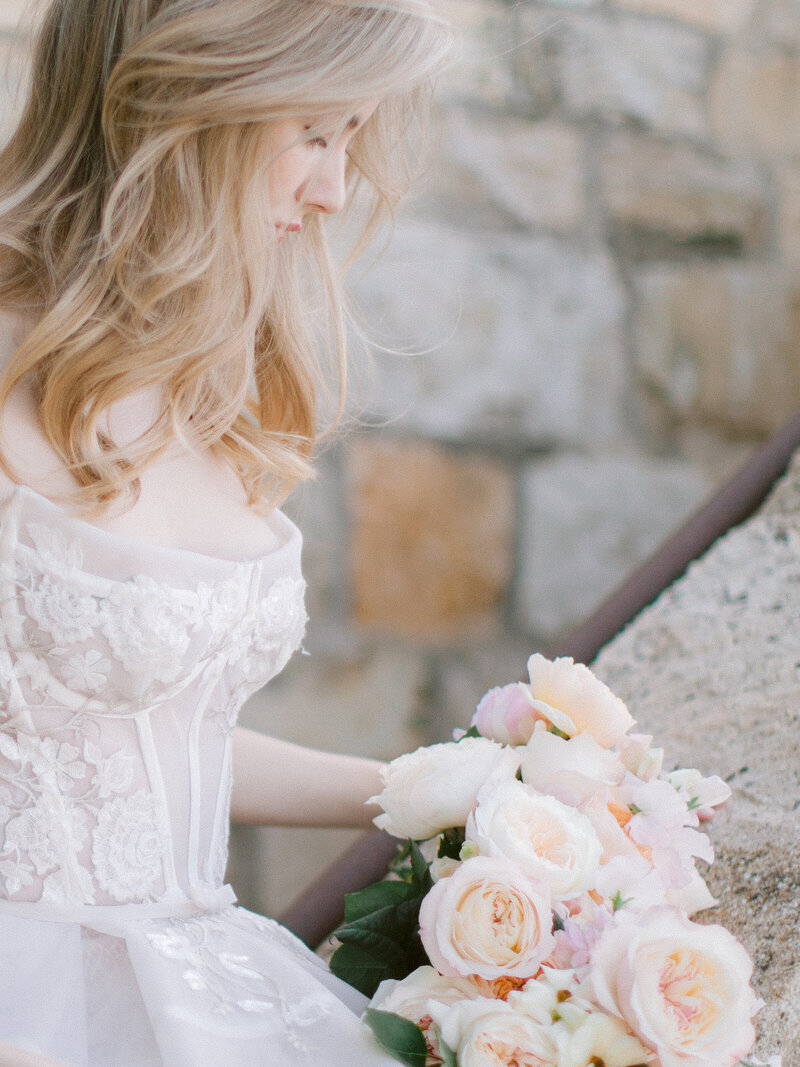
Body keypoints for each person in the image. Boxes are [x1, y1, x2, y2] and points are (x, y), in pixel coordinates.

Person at [0, 1, 451, 1063]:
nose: (335, 188)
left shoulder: (206, 383)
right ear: (187, 92)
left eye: (350, 141)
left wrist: (426, 792)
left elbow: (125, 741)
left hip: (201, 987)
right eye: (312, 131)